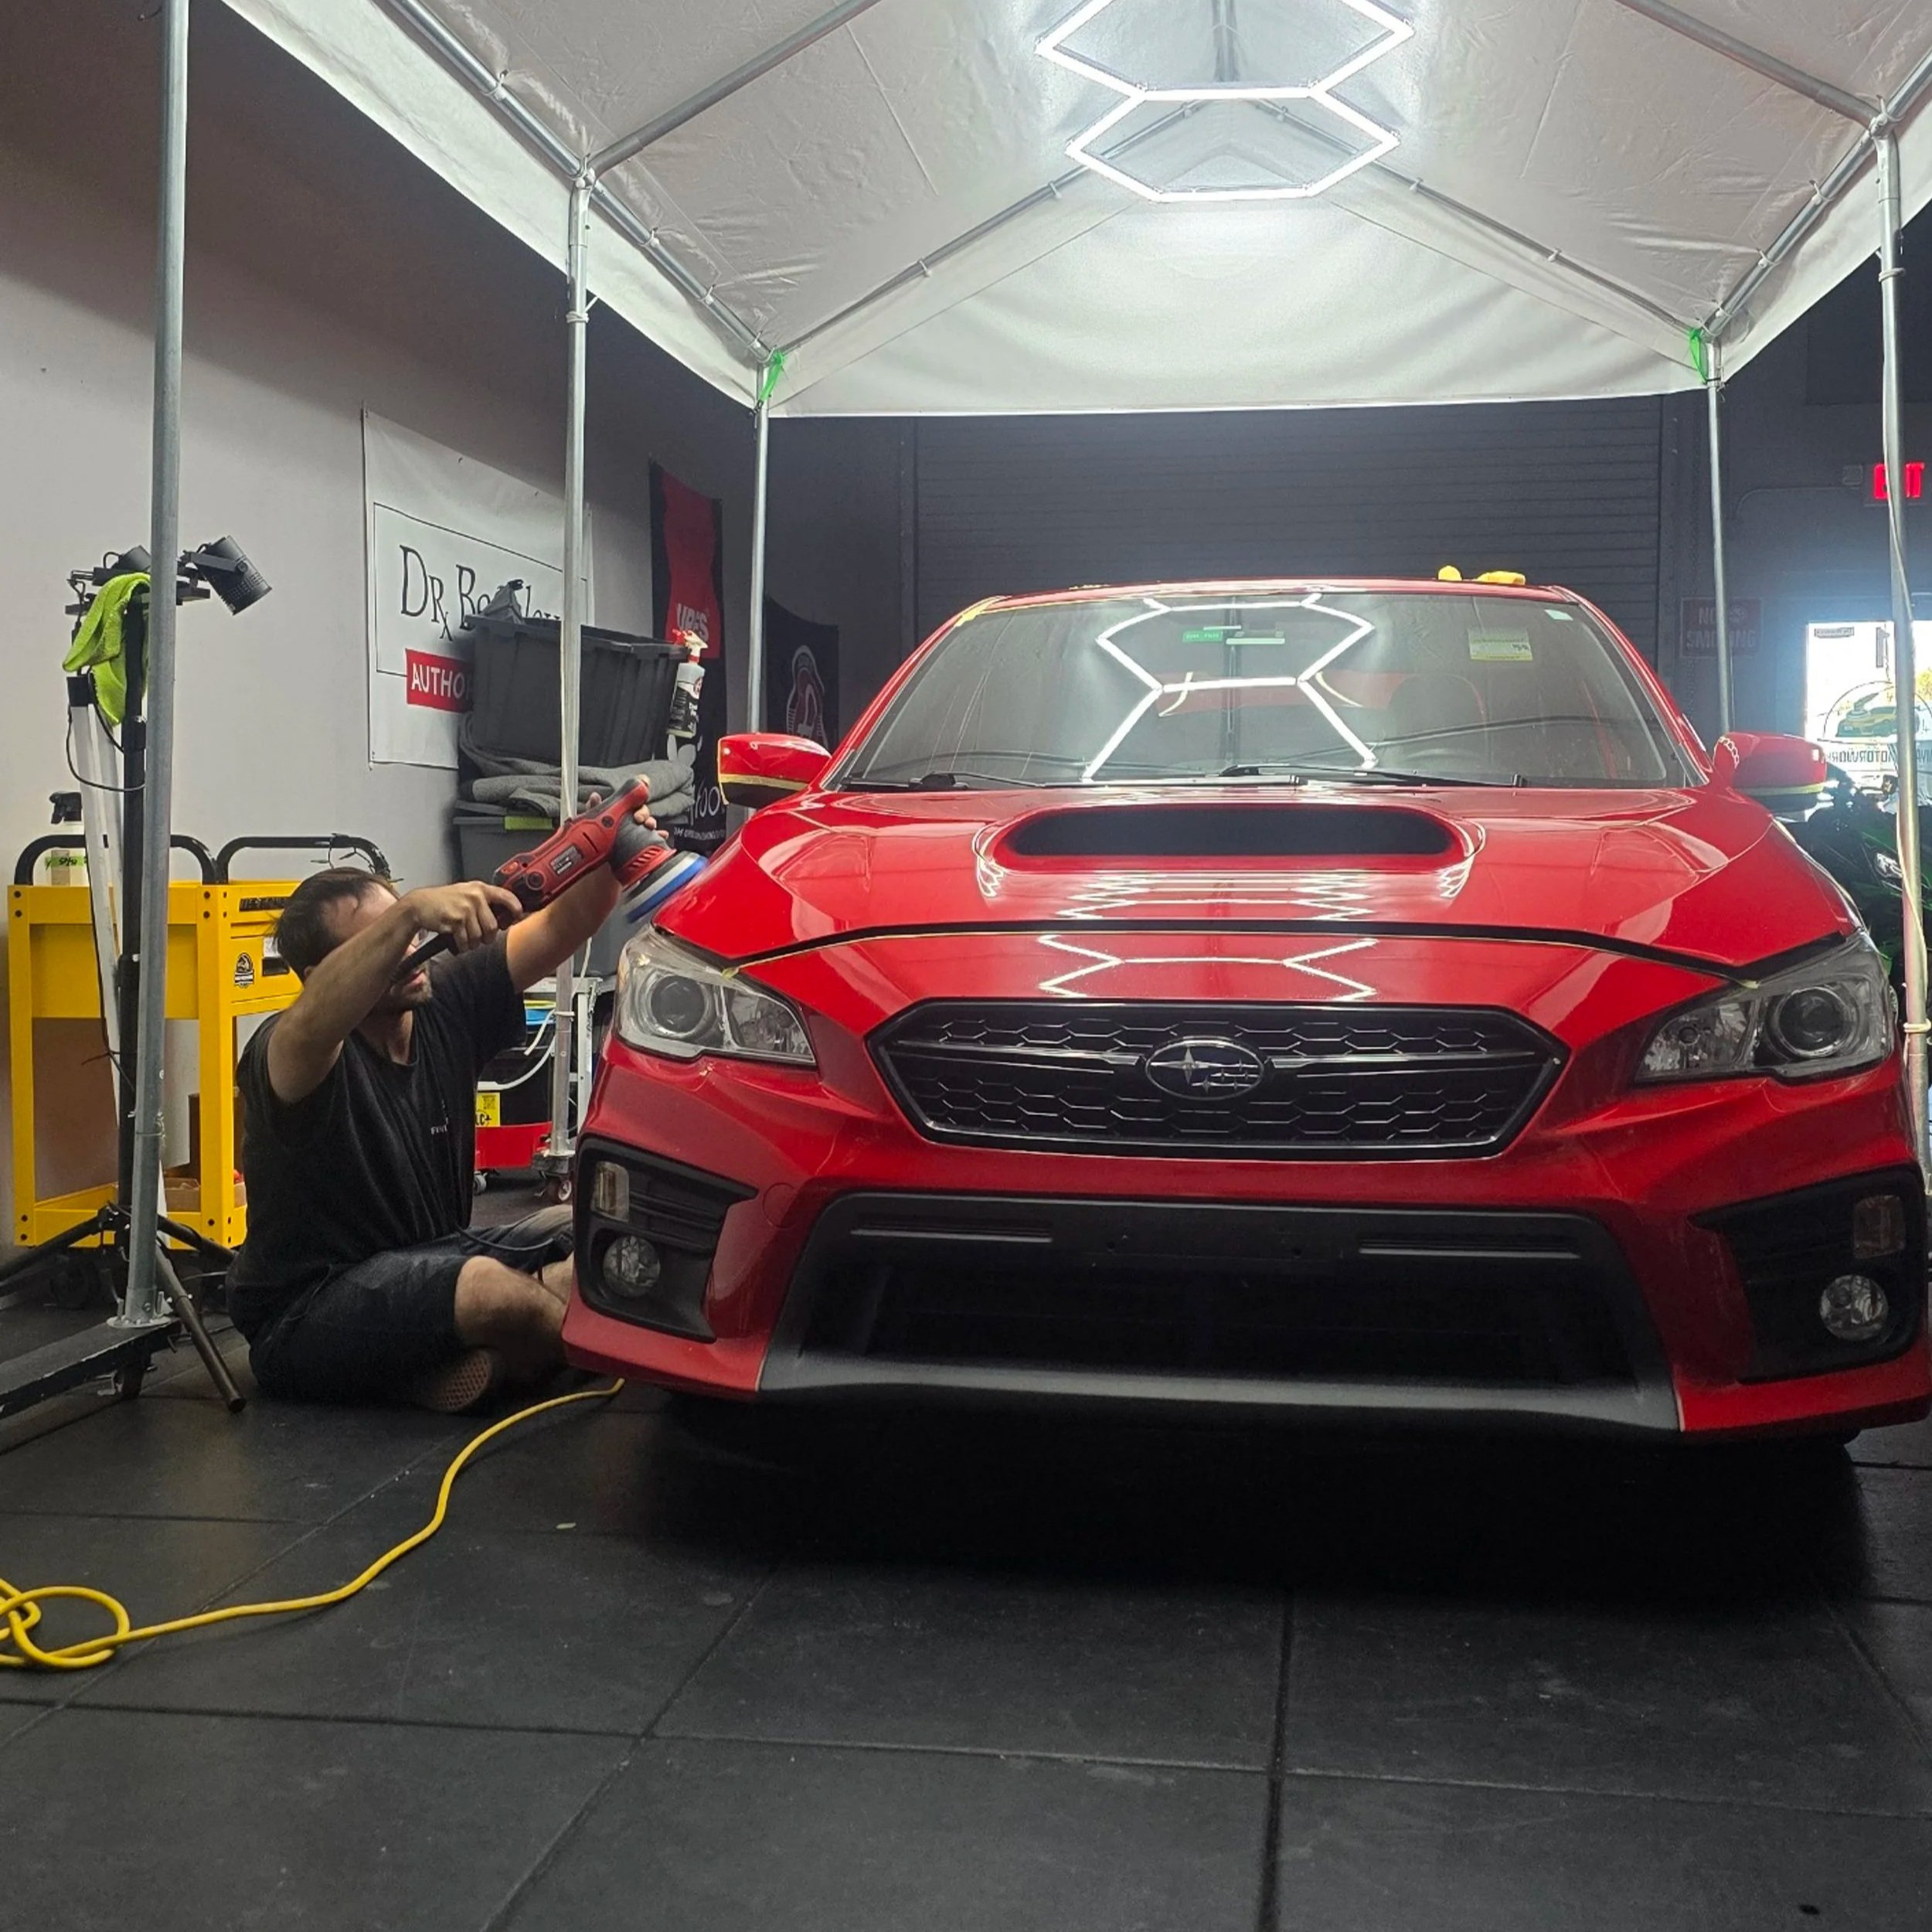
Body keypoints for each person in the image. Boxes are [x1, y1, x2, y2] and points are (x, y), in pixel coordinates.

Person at [227, 805, 651, 1410]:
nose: (414, 950)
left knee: (592, 1231)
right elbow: (313, 1020)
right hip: (305, 1314)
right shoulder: (292, 1048)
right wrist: (408, 912)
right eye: (389, 941)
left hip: (432, 1263)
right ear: (325, 972)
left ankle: (467, 1357)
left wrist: (612, 855)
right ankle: (573, 1354)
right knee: (487, 1293)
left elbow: (561, 928)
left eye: (413, 935)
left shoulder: (439, 1001)